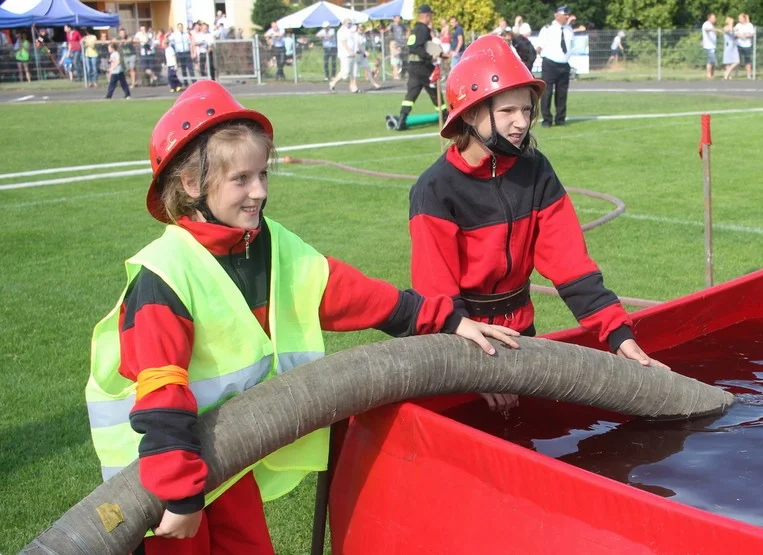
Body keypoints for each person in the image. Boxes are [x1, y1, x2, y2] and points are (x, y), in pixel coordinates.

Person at [85, 80, 517, 553]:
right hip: (159, 477)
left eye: (262, 175)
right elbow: (161, 392)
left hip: (224, 461)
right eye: (241, 179)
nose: (258, 192)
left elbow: (353, 294)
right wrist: (180, 495)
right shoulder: (165, 274)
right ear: (191, 185)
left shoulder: (266, 244)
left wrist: (448, 320)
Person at [408, 35, 669, 413]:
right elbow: (437, 295)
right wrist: (477, 367)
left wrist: (619, 336)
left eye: (527, 110)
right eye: (508, 111)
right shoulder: (435, 189)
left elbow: (571, 265)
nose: (521, 122)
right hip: (459, 351)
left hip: (520, 340)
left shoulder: (536, 170)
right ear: (469, 113)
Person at [391, 5, 445, 131]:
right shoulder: (424, 29)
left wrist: (441, 54)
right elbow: (418, 48)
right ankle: (446, 117)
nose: (431, 17)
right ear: (426, 16)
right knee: (435, 92)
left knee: (411, 96)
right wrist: (429, 57)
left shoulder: (415, 29)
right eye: (430, 15)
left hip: (413, 67)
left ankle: (401, 121)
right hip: (422, 66)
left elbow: (416, 46)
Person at [536, 6, 575, 128]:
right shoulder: (547, 29)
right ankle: (547, 120)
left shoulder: (569, 29)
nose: (567, 17)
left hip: (564, 65)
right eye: (565, 14)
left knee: (562, 93)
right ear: (557, 15)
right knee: (547, 93)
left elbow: (571, 46)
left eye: (567, 15)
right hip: (550, 64)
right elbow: (539, 45)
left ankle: (560, 119)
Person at [329, 19, 358, 93]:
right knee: (345, 71)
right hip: (345, 54)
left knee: (353, 72)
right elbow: (343, 42)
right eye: (348, 23)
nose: (349, 24)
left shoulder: (350, 30)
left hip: (353, 54)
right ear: (344, 23)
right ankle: (333, 83)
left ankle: (353, 87)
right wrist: (350, 51)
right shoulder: (341, 31)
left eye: (350, 23)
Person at [734, 13, 755, 79]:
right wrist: (738, 35)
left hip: (747, 45)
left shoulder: (749, 25)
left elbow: (752, 33)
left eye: (740, 18)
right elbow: (734, 33)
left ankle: (748, 75)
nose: (739, 19)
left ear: (744, 18)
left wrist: (746, 35)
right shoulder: (738, 25)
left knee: (748, 60)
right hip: (739, 44)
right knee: (737, 60)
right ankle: (736, 74)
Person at [701, 13, 717, 80]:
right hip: (708, 46)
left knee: (712, 61)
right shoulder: (706, 24)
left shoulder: (711, 25)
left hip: (712, 46)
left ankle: (712, 74)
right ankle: (709, 75)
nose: (715, 19)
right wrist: (715, 30)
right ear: (709, 18)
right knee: (710, 60)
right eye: (713, 18)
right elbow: (706, 29)